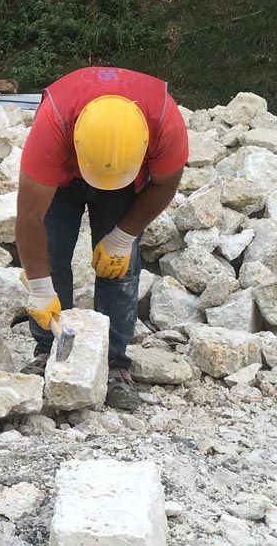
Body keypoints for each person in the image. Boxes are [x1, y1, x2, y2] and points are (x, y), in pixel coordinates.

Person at [14, 66, 188, 411]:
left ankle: (115, 364)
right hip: (62, 178)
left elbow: (165, 183)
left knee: (118, 267)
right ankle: (49, 348)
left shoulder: (166, 122)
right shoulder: (54, 124)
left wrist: (124, 236)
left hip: (126, 179)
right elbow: (29, 217)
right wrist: (39, 287)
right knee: (52, 255)